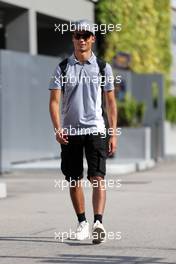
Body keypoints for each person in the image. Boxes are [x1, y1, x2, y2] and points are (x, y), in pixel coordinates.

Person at [49, 20, 117, 244]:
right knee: (74, 178)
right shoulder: (62, 67)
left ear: (92, 39)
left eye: (86, 35)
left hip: (96, 129)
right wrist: (57, 129)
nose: (82, 39)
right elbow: (54, 102)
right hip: (70, 131)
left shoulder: (103, 67)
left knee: (98, 177)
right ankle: (82, 223)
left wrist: (113, 133)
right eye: (78, 35)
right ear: (73, 38)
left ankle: (98, 223)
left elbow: (110, 102)